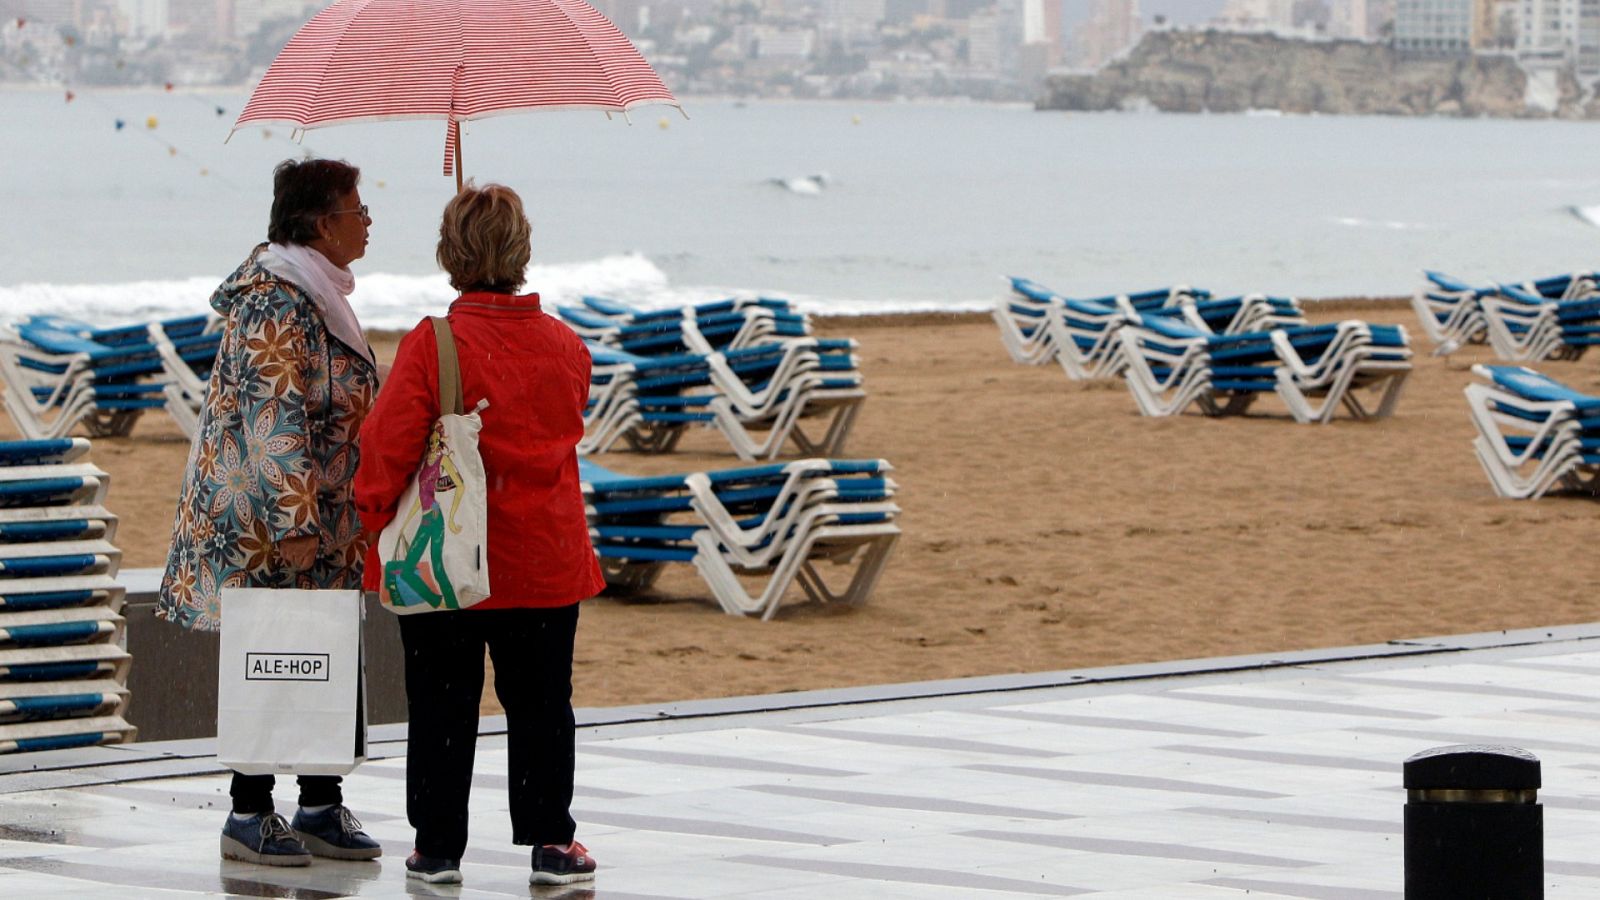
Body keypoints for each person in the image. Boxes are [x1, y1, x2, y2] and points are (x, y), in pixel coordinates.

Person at [354, 183, 605, 887]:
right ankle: (552, 840)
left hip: (447, 555)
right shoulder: (565, 345)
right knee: (542, 703)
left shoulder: (434, 345)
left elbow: (388, 446)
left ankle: (438, 848)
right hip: (544, 556)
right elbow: (565, 421)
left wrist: (371, 518)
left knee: (442, 703)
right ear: (521, 251)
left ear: (450, 254)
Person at [158, 158, 383, 867]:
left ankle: (319, 802)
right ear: (320, 224)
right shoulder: (276, 299)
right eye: (356, 210)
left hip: (323, 520)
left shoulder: (317, 290)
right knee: (271, 656)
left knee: (321, 655)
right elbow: (271, 416)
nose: (367, 222)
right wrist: (294, 521)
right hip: (271, 524)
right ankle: (249, 810)